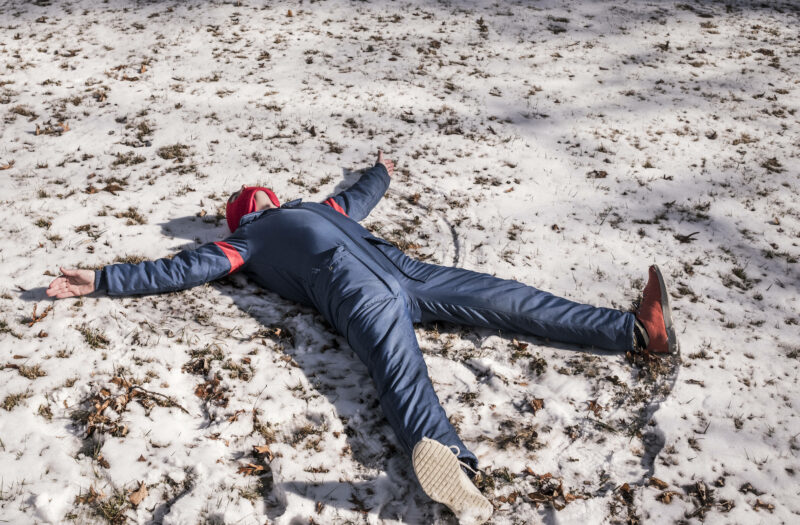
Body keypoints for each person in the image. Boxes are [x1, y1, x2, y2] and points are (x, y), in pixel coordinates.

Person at [47, 151, 677, 524]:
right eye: (256, 198)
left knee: (508, 299)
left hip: (410, 271)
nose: (263, 198)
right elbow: (180, 269)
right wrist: (102, 278)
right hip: (358, 293)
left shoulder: (322, 209)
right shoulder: (244, 242)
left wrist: (379, 170)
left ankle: (635, 331)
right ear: (251, 210)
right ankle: (451, 464)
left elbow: (356, 195)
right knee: (398, 369)